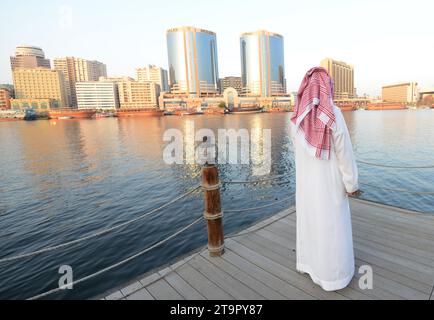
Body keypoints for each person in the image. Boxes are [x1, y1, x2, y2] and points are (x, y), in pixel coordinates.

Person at [290, 67, 360, 292]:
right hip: (329, 187)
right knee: (332, 228)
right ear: (326, 88)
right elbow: (345, 154)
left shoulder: (296, 119)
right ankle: (334, 277)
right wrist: (351, 184)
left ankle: (309, 266)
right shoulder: (333, 114)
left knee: (311, 224)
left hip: (306, 186)